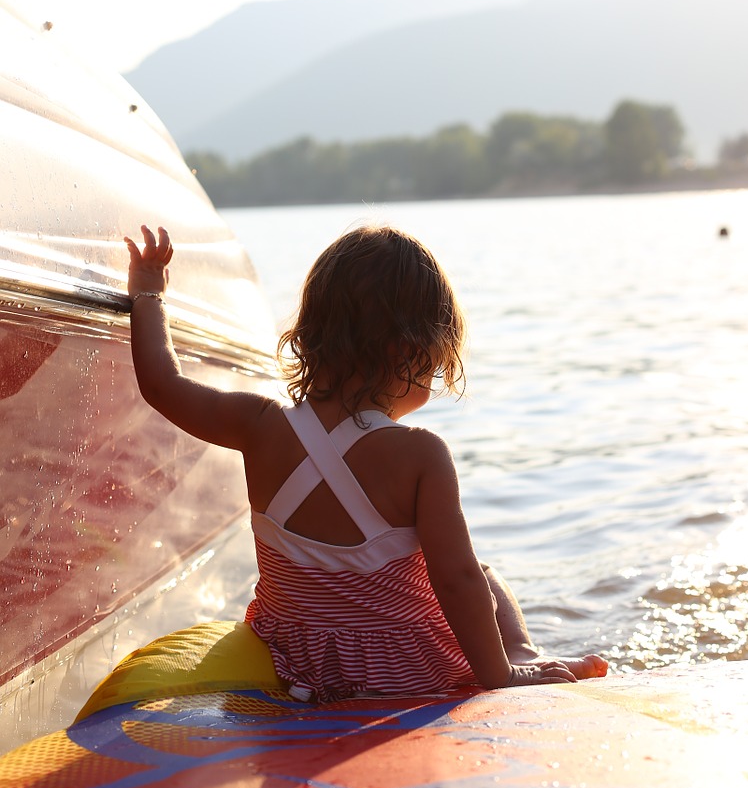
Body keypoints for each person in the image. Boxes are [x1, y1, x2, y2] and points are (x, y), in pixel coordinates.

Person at [125, 222, 608, 702]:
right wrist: (498, 677)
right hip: (407, 668)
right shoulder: (421, 454)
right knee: (483, 576)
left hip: (298, 664)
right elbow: (456, 581)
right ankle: (522, 658)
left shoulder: (259, 424)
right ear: (413, 351)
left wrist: (148, 294)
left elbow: (162, 386)